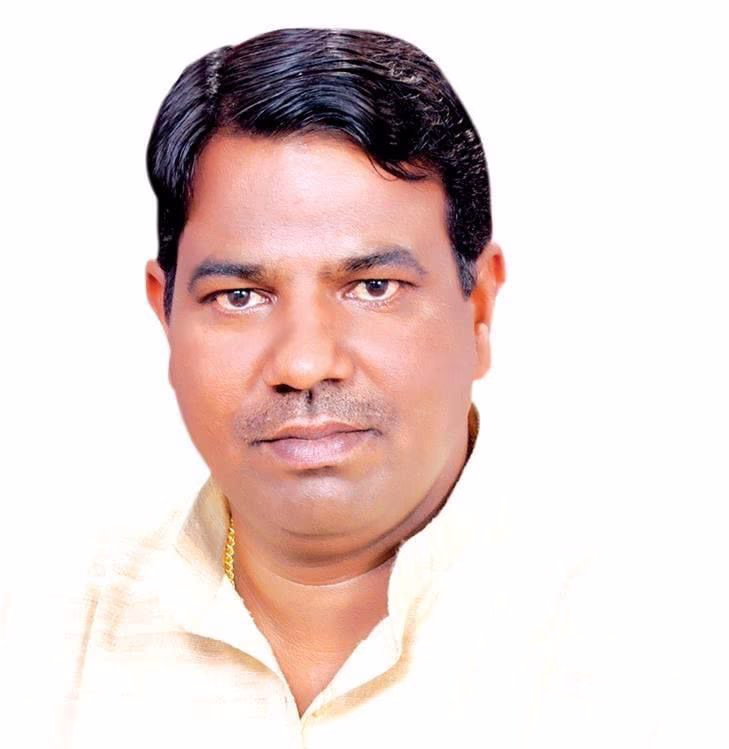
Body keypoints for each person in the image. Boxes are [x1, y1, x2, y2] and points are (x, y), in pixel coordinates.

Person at [0, 27, 620, 748]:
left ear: (478, 309)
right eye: (239, 296)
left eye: (373, 286)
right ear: (164, 315)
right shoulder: (37, 642)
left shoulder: (656, 646)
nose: (302, 363)